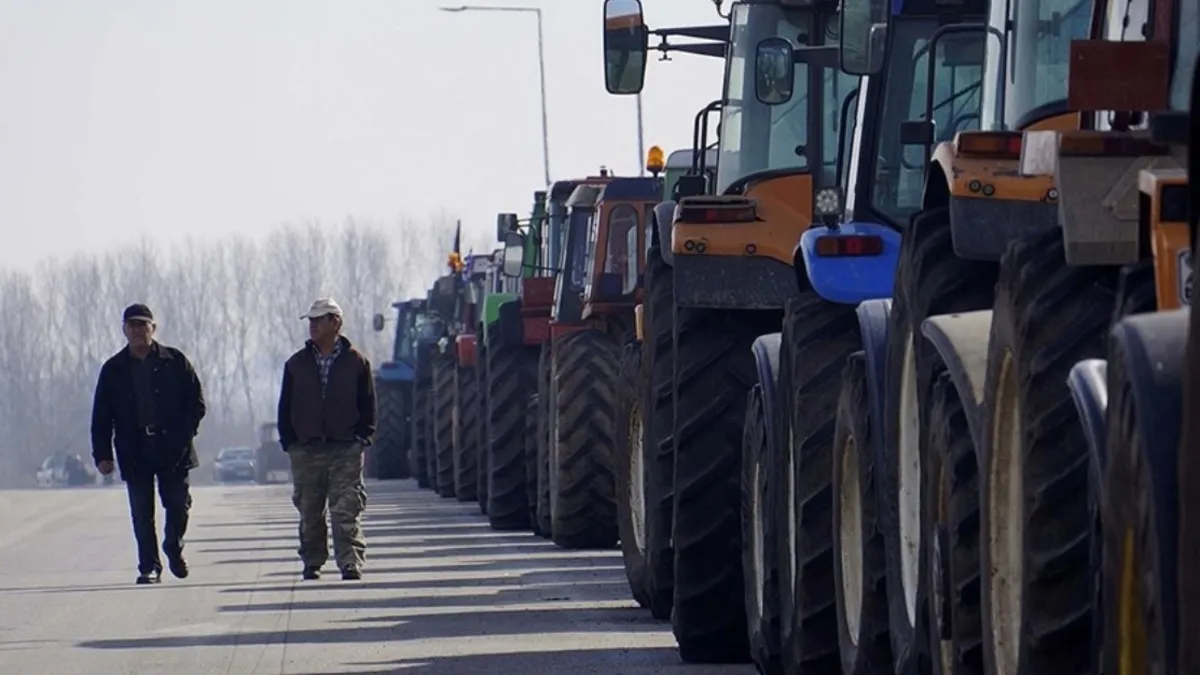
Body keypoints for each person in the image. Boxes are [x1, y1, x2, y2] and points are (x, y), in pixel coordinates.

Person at [91, 303, 206, 585]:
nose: (138, 331)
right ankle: (148, 566)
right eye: (132, 325)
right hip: (134, 449)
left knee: (178, 505)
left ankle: (173, 546)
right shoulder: (113, 369)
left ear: (153, 328)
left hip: (173, 448)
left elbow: (197, 404)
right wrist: (102, 455)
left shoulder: (175, 361)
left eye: (143, 325)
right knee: (142, 513)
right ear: (124, 330)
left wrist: (184, 434)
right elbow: (101, 416)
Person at [277, 297, 377, 581]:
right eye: (311, 321)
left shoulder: (356, 363)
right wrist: (291, 442)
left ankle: (350, 562)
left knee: (346, 508)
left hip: (345, 447)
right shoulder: (296, 365)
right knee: (310, 509)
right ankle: (312, 560)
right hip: (306, 449)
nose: (313, 326)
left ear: (336, 323)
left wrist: (362, 437)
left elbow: (368, 404)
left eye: (319, 320)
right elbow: (285, 406)